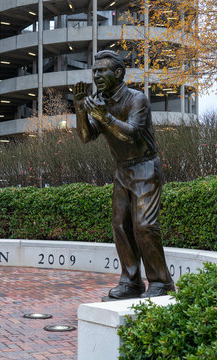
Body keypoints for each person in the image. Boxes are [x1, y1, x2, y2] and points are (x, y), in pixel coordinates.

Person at [73, 50, 175, 299]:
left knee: (145, 225)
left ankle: (161, 282)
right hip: (122, 170)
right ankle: (130, 282)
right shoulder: (101, 101)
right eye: (94, 71)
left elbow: (131, 134)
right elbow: (86, 137)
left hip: (145, 167)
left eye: (102, 70)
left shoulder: (136, 99)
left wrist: (103, 116)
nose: (96, 75)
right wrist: (80, 110)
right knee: (120, 226)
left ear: (118, 73)